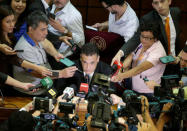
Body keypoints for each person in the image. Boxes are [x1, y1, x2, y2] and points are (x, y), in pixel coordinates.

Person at [13, 11, 77, 95]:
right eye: (43, 29)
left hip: (46, 85)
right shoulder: (24, 48)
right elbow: (38, 73)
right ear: (31, 29)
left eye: (47, 28)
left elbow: (46, 43)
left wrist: (55, 54)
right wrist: (61, 74)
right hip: (32, 92)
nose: (46, 33)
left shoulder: (35, 37)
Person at [111, 0, 182, 75]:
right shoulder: (148, 19)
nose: (160, 5)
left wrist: (179, 58)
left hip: (176, 62)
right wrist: (120, 53)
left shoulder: (176, 12)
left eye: (162, 1)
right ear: (153, 5)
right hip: (158, 65)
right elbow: (136, 38)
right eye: (156, 3)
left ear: (169, 1)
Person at [111, 22, 166, 97]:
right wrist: (121, 68)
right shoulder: (143, 44)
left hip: (148, 92)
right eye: (142, 36)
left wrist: (120, 76)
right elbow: (132, 55)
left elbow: (138, 69)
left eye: (147, 38)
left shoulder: (158, 52)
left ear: (155, 39)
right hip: (133, 87)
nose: (143, 40)